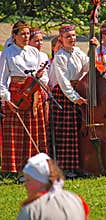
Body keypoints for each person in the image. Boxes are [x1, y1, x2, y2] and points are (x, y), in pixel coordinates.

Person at [0, 21, 48, 176]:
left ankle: (34, 169)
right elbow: (2, 78)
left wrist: (39, 76)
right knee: (17, 133)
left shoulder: (34, 52)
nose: (26, 37)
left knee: (34, 133)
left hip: (33, 92)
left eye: (28, 33)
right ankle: (17, 169)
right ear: (14, 36)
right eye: (22, 34)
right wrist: (7, 98)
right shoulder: (7, 53)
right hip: (16, 93)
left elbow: (38, 75)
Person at [48, 24, 89, 177]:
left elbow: (88, 66)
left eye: (73, 35)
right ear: (61, 39)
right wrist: (75, 98)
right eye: (68, 37)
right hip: (63, 95)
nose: (72, 39)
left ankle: (77, 166)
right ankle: (64, 168)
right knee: (65, 132)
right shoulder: (59, 56)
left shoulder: (78, 52)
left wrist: (92, 48)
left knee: (76, 130)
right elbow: (63, 82)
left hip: (77, 91)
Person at [16, 153, 89, 220]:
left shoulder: (31, 209)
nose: (25, 185)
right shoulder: (76, 200)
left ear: (40, 181)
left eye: (28, 180)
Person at [29, 27, 50, 128]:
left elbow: (46, 76)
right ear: (29, 42)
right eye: (36, 40)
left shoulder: (44, 56)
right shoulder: (26, 55)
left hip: (42, 91)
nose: (40, 43)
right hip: (29, 91)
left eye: (41, 40)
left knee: (42, 124)